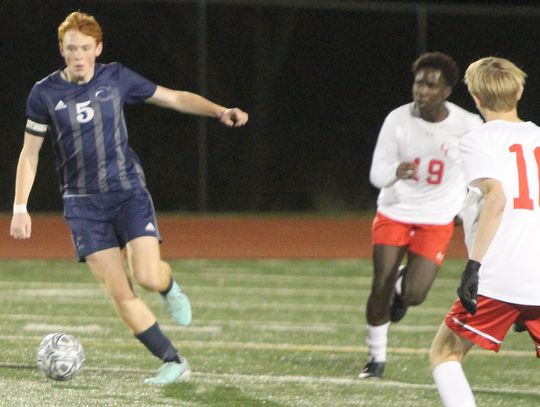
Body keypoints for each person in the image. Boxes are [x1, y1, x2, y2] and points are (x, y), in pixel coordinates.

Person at [9, 11, 248, 385]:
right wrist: (20, 207)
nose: (78, 55)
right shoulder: (43, 93)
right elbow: (29, 153)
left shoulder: (116, 77)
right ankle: (172, 360)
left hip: (127, 193)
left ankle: (169, 287)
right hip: (83, 206)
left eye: (86, 48)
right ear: (62, 50)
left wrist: (220, 110)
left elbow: (174, 98)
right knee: (119, 290)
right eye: (71, 48)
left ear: (97, 48)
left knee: (148, 276)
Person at [359, 52, 483, 379]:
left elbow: (480, 173)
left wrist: (465, 207)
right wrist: (395, 171)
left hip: (438, 216)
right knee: (380, 284)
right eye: (418, 82)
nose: (421, 90)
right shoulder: (397, 119)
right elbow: (376, 173)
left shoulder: (469, 124)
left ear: (446, 91)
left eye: (430, 85)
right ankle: (376, 359)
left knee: (415, 294)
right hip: (395, 210)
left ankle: (404, 285)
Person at [430, 57, 540, 406]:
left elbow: (497, 197)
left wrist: (472, 267)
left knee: (445, 353)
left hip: (502, 271)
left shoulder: (479, 139)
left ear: (475, 97)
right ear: (520, 91)